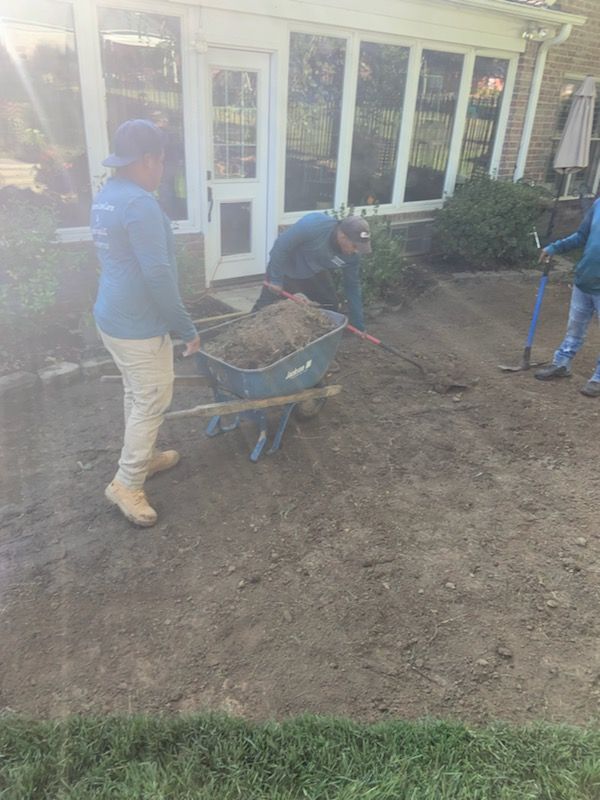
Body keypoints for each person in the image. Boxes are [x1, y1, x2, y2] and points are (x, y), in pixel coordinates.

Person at [91, 119, 200, 527]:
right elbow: (157, 275)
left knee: (137, 395)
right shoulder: (139, 204)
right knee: (152, 396)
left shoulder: (108, 195)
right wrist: (186, 327)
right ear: (150, 159)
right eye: (162, 162)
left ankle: (145, 455)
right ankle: (127, 482)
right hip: (137, 323)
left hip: (112, 316)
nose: (162, 170)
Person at [252, 212, 372, 329]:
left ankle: (316, 337)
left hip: (314, 271)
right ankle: (244, 332)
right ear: (342, 236)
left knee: (330, 305)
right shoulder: (313, 224)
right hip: (286, 266)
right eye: (355, 246)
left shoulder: (352, 257)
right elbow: (280, 247)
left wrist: (358, 323)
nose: (356, 251)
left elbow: (352, 287)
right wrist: (276, 279)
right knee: (265, 306)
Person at [535, 198, 600, 397]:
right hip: (584, 280)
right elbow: (581, 236)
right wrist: (555, 247)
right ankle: (562, 364)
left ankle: (598, 379)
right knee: (575, 327)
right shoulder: (598, 205)